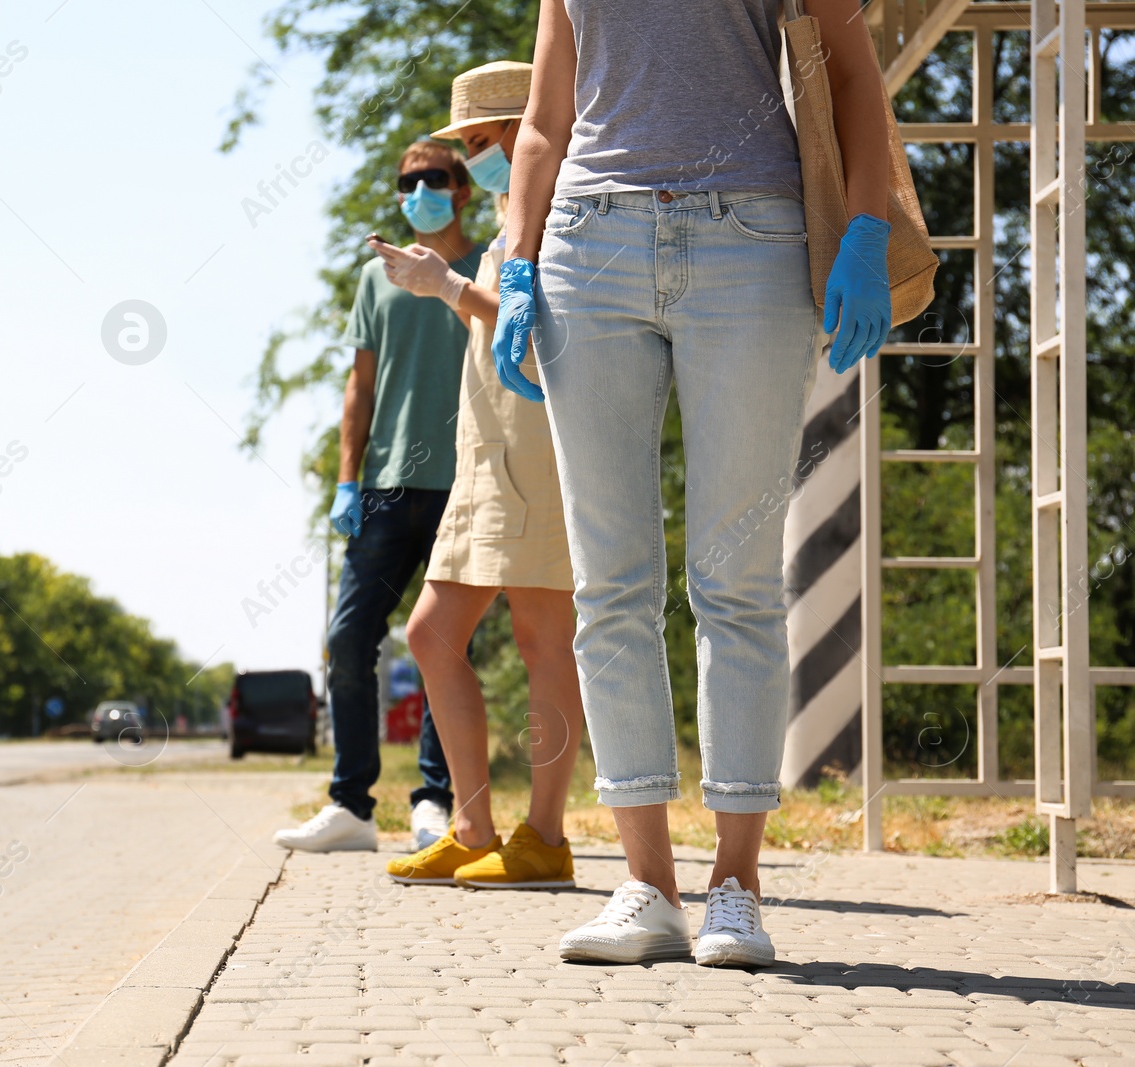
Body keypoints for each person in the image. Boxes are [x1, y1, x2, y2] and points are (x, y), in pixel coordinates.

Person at [494, 0, 893, 966]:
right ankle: (647, 886)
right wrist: (516, 259)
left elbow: (854, 83)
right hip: (587, 251)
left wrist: (868, 233)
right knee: (611, 583)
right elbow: (546, 118)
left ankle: (738, 889)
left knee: (736, 579)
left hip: (751, 244)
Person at [364, 62, 584, 892]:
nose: (474, 158)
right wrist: (446, 281)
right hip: (488, 456)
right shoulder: (505, 216)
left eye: (483, 142)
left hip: (538, 451)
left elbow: (557, 333)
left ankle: (544, 837)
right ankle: (472, 825)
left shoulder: (566, 210)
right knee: (429, 633)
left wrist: (447, 285)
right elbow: (505, 321)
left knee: (541, 640)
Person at [273, 141, 487, 854]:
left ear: (462, 190)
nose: (421, 188)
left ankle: (434, 799)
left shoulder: (484, 269)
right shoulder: (377, 277)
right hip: (387, 485)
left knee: (443, 644)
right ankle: (351, 807)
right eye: (408, 181)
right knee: (347, 640)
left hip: (467, 480)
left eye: (435, 178)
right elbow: (359, 386)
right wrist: (345, 480)